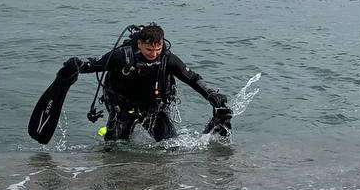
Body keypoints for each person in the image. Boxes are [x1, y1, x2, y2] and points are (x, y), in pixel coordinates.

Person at [60, 24, 232, 141]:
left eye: (158, 49)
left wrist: (211, 94)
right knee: (114, 149)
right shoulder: (122, 55)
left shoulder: (168, 59)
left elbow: (193, 78)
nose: (154, 53)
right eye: (149, 49)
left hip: (154, 108)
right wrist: (76, 64)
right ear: (140, 44)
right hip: (122, 105)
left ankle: (213, 127)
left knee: (170, 147)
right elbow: (95, 64)